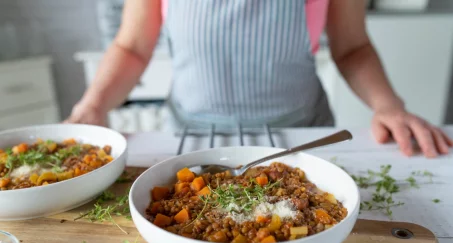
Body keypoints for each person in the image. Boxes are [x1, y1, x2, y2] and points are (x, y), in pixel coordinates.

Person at [65, 0, 452, 158]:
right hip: (190, 138)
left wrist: (389, 106)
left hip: (304, 137)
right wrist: (92, 106)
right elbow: (132, 47)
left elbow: (351, 47)